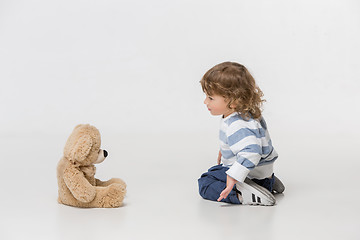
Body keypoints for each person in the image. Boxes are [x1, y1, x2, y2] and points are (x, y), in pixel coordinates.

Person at [198, 61, 285, 206]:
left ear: (233, 101)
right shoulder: (247, 115)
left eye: (211, 98)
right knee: (217, 170)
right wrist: (225, 149)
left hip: (250, 174)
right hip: (262, 172)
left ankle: (241, 194)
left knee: (206, 182)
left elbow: (252, 152)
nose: (205, 102)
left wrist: (234, 176)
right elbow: (251, 141)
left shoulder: (237, 124)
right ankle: (268, 182)